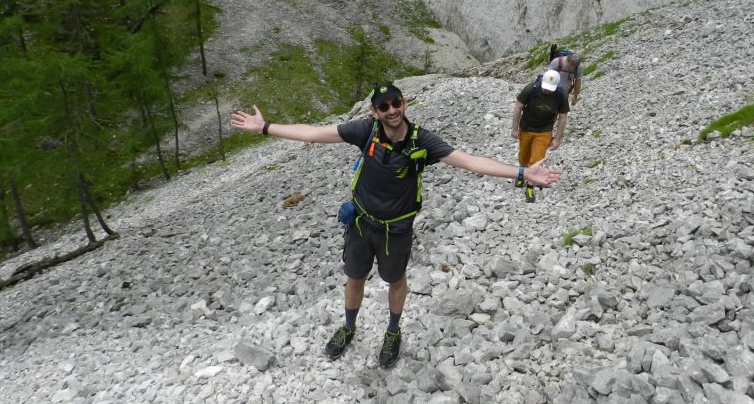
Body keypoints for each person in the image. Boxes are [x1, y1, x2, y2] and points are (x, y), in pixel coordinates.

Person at [230, 81, 561, 369]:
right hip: (361, 223)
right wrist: (265, 127)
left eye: (396, 103)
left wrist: (522, 173)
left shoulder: (422, 141)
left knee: (395, 279)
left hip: (397, 229)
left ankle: (392, 331)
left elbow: (470, 162)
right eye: (383, 106)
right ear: (375, 111)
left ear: (405, 103)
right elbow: (315, 134)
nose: (391, 111)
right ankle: (349, 327)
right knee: (355, 277)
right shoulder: (366, 131)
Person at [511, 69, 569, 203]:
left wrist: (557, 138)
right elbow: (518, 107)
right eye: (546, 88)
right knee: (523, 155)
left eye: (550, 89)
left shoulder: (560, 96)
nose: (548, 91)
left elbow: (562, 117)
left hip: (544, 131)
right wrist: (515, 129)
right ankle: (521, 175)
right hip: (526, 128)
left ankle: (530, 186)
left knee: (536, 159)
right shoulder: (531, 89)